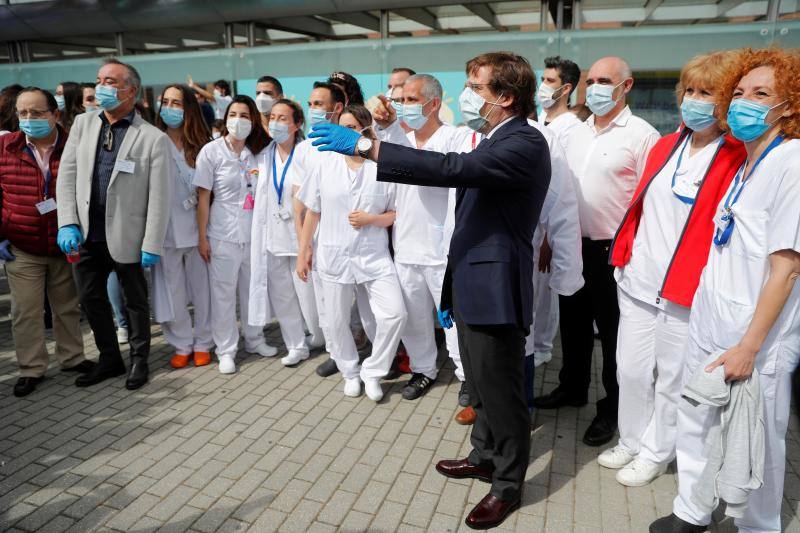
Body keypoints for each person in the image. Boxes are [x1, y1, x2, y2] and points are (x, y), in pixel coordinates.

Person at [309, 51, 551, 531]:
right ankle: (484, 455)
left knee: (501, 391)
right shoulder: (495, 136)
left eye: (477, 87)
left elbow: (450, 169)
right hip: (470, 277)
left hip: (495, 285)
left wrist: (367, 147)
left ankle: (506, 484)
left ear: (505, 96)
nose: (469, 95)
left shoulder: (524, 141)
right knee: (478, 382)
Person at [651, 47, 800, 533]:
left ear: (790, 105)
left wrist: (749, 346)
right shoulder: (747, 162)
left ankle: (758, 526)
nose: (744, 103)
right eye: (739, 92)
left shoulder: (793, 163)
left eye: (762, 94)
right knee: (696, 418)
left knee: (756, 437)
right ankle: (692, 511)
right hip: (710, 319)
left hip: (755, 336)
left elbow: (786, 267)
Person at [601, 51, 745, 488]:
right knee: (629, 368)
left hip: (685, 290)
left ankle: (657, 451)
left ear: (725, 103)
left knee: (672, 378)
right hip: (639, 279)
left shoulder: (735, 156)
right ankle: (631, 438)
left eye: (707, 93)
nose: (694, 100)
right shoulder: (666, 145)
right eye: (690, 91)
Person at [534, 56, 660, 447]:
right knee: (572, 325)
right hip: (572, 244)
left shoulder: (642, 135)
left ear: (627, 86)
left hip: (614, 252)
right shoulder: (576, 131)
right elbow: (562, 191)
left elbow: (650, 202)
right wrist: (550, 239)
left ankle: (611, 408)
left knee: (611, 333)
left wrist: (636, 253)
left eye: (606, 80)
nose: (597, 87)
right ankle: (571, 387)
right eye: (593, 80)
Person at [56, 58, 171, 390]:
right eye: (99, 80)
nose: (102, 87)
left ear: (131, 91)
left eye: (111, 82)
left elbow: (159, 197)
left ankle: (139, 360)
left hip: (128, 235)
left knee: (134, 302)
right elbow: (67, 176)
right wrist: (67, 222)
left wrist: (152, 242)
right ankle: (109, 359)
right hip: (87, 233)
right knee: (91, 298)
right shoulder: (83, 124)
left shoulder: (151, 138)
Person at [297, 104, 406, 402]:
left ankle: (374, 371)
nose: (343, 132)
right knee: (334, 320)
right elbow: (312, 211)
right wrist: (303, 250)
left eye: (350, 126)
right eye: (340, 126)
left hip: (373, 255)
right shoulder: (324, 164)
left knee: (395, 314)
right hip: (333, 254)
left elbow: (397, 213)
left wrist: (372, 220)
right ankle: (350, 372)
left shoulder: (380, 166)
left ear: (364, 129)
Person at [372, 73, 468, 401]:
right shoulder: (400, 143)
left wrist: (392, 132)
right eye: (402, 101)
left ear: (435, 103)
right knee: (415, 320)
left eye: (412, 100)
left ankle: (466, 378)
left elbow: (437, 170)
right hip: (406, 248)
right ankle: (424, 370)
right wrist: (387, 128)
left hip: (442, 252)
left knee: (454, 325)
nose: (405, 107)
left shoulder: (455, 138)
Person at [0, 87, 93, 397]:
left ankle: (72, 357)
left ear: (55, 114)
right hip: (22, 245)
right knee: (26, 311)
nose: (29, 119)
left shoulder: (74, 146)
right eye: (23, 113)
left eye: (37, 113)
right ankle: (31, 368)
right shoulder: (5, 147)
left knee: (67, 307)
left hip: (64, 244)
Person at [194, 94, 275, 374]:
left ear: (253, 121)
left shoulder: (258, 153)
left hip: (253, 234)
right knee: (223, 295)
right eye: (233, 115)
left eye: (244, 116)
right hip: (221, 234)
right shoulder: (211, 151)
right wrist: (202, 237)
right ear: (226, 118)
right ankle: (226, 349)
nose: (238, 121)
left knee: (253, 291)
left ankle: (255, 339)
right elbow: (203, 198)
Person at [151, 83, 214, 369]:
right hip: (165, 231)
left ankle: (203, 342)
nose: (170, 109)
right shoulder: (153, 140)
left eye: (177, 103)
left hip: (201, 228)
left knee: (203, 290)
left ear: (188, 107)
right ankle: (181, 343)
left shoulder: (204, 143)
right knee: (171, 290)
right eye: (166, 102)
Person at [249, 98, 313, 367]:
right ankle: (296, 345)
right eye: (272, 118)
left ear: (297, 123)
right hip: (273, 236)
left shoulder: (307, 153)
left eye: (283, 118)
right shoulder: (263, 156)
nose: (275, 123)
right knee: (283, 297)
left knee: (310, 297)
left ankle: (322, 338)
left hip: (302, 237)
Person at [292, 81, 347, 378]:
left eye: (319, 104)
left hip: (355, 233)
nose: (313, 109)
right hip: (321, 237)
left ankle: (377, 354)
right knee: (327, 303)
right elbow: (299, 201)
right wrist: (305, 243)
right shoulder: (303, 149)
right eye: (310, 103)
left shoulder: (351, 142)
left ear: (337, 108)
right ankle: (336, 354)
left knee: (362, 304)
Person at [537, 56, 583, 145]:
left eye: (550, 80)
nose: (543, 85)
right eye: (543, 80)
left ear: (566, 88)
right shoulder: (538, 118)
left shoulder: (573, 127)